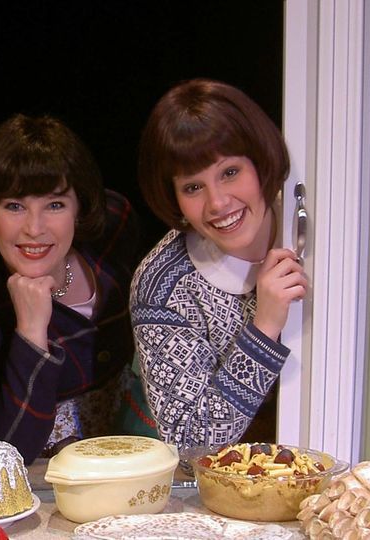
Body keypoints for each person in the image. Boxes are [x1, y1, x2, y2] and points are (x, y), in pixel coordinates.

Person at [0, 114, 143, 464]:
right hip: (40, 482)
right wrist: (30, 333)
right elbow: (6, 453)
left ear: (79, 208)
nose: (34, 229)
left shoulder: (113, 226)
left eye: (55, 205)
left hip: (132, 451)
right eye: (14, 206)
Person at [130, 78, 307, 451]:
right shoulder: (163, 285)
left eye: (230, 172)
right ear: (173, 197)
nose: (218, 203)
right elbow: (190, 442)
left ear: (259, 162)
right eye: (193, 187)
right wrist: (264, 327)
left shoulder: (317, 228)